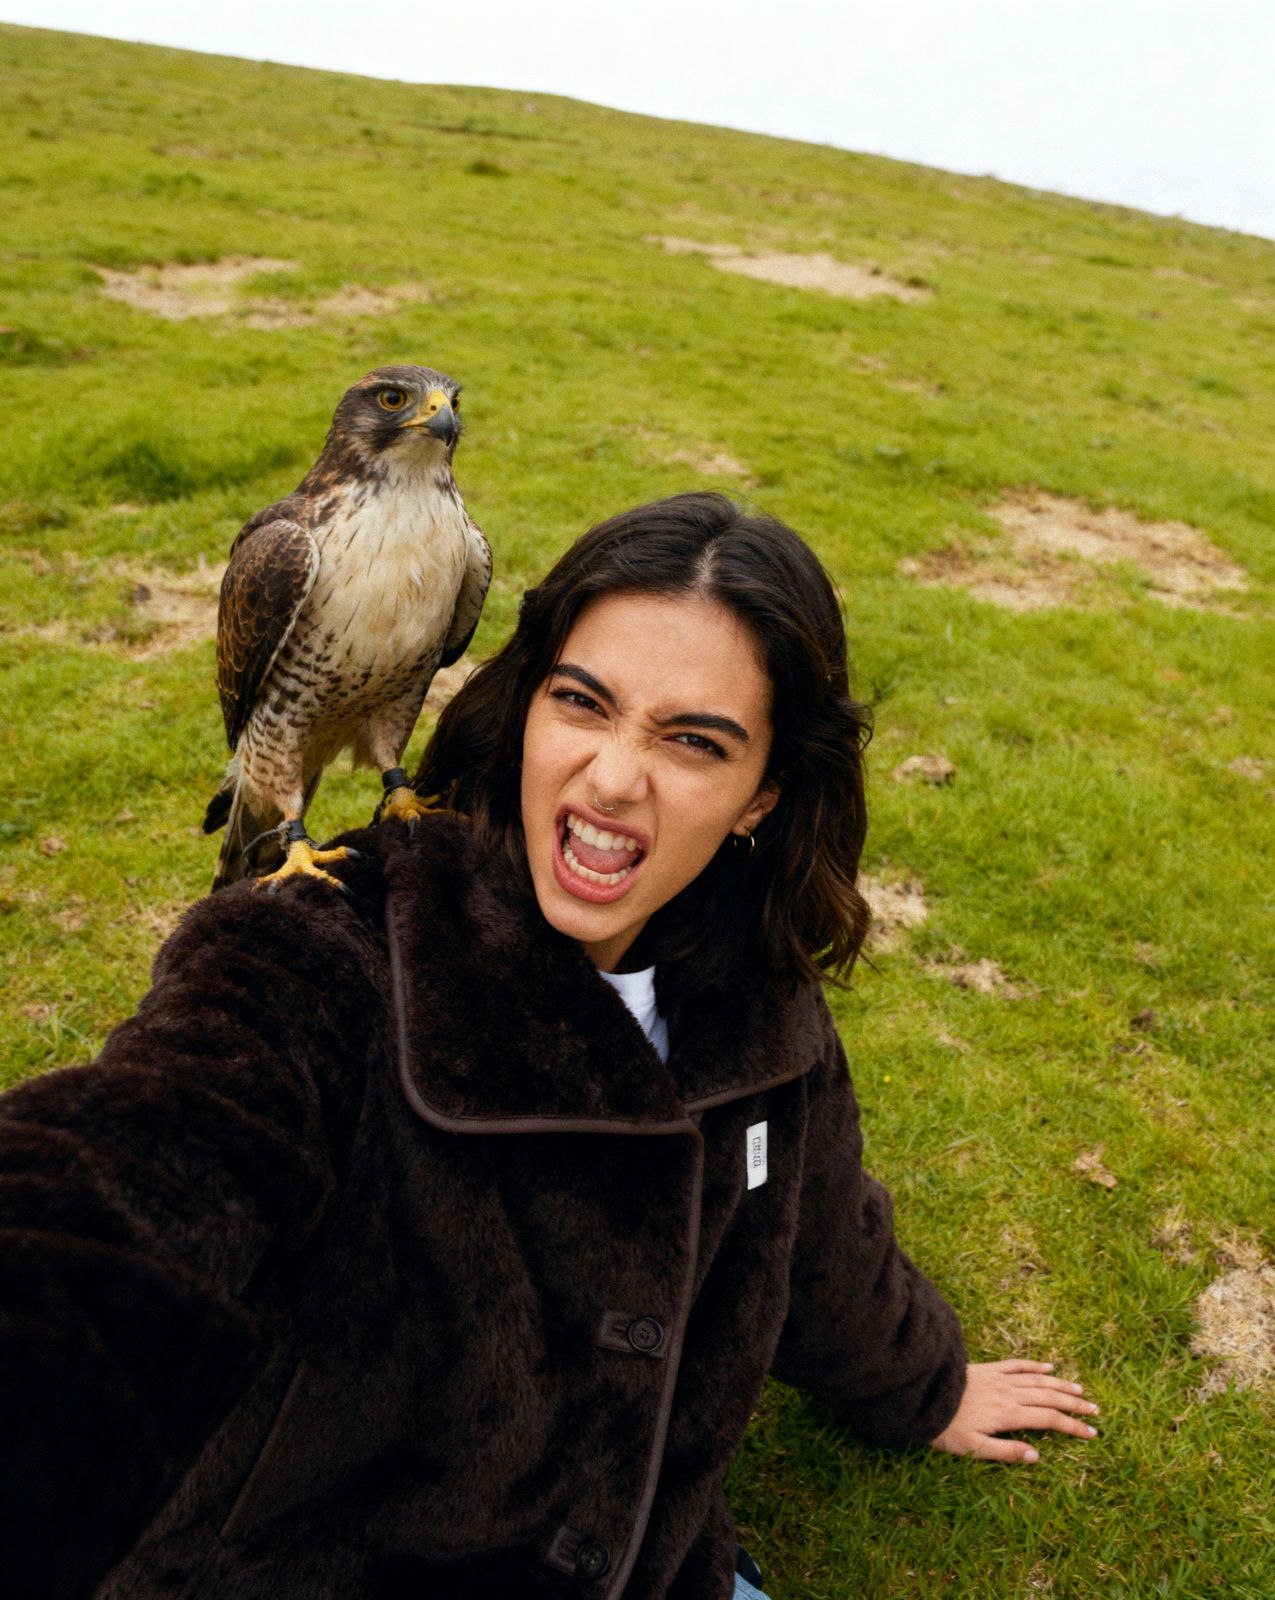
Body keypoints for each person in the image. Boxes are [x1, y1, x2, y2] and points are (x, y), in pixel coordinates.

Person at [0, 493, 1097, 1600]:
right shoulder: (321, 953)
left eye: (693, 741)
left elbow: (814, 1241)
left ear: (761, 795)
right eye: (584, 703)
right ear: (526, 703)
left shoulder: (763, 1010)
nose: (614, 779)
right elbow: (146, 1164)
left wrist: (928, 1385)